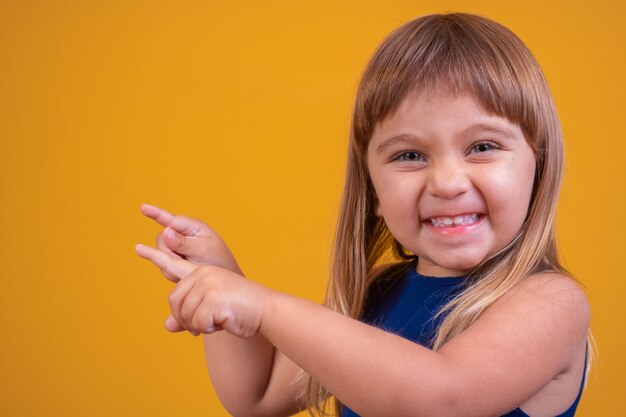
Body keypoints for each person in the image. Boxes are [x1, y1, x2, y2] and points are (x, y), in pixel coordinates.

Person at [135, 12, 591, 417]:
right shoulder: (376, 293)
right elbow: (256, 398)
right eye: (410, 155)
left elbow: (443, 400)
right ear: (373, 190)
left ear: (539, 166)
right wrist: (219, 281)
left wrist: (262, 304)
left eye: (483, 147)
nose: (447, 182)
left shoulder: (549, 302)